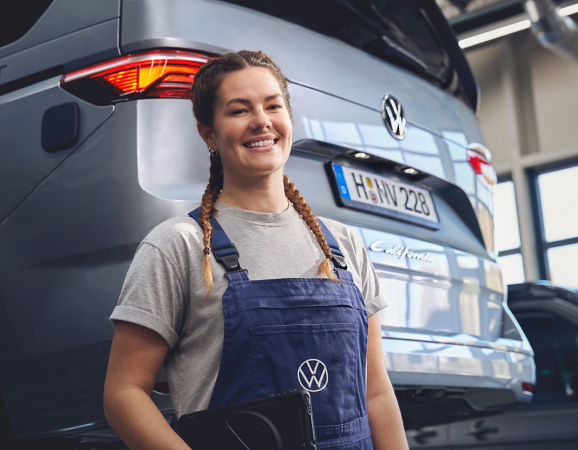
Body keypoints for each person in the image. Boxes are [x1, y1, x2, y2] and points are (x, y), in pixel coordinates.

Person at [103, 50, 408, 449]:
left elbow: (377, 393)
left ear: (289, 119)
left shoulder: (343, 245)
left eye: (272, 106)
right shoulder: (180, 245)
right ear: (208, 133)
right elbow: (124, 394)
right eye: (238, 110)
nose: (261, 120)